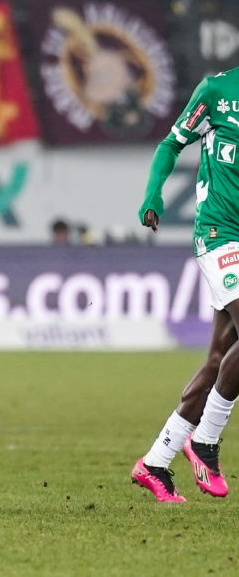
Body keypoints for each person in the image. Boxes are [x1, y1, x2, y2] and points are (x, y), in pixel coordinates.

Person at [131, 66, 239, 502]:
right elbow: (171, 143)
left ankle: (155, 462)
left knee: (218, 359)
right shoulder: (217, 90)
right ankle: (205, 442)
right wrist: (153, 193)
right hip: (219, 233)